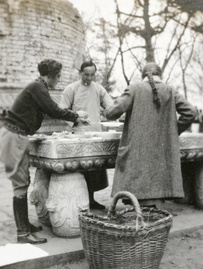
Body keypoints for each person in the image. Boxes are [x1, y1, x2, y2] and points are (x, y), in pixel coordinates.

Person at [0, 59, 89, 244]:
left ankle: (24, 225)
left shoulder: (38, 88)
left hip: (16, 136)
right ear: (48, 75)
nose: (58, 80)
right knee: (20, 185)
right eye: (57, 76)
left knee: (23, 181)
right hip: (13, 137)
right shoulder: (37, 87)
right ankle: (23, 234)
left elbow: (48, 109)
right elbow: (53, 109)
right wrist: (76, 115)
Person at [105, 62, 197, 203]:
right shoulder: (170, 91)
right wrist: (172, 131)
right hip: (161, 155)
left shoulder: (134, 89)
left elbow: (111, 113)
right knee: (156, 200)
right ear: (160, 75)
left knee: (138, 202)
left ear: (143, 76)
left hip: (137, 154)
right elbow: (191, 112)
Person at [61, 61, 113, 209]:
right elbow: (62, 111)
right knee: (81, 168)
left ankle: (91, 200)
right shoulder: (71, 89)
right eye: (86, 74)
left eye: (92, 75)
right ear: (80, 73)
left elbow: (110, 105)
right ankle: (79, 201)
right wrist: (76, 117)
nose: (89, 78)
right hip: (78, 133)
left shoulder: (98, 89)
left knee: (94, 168)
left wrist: (109, 111)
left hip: (95, 132)